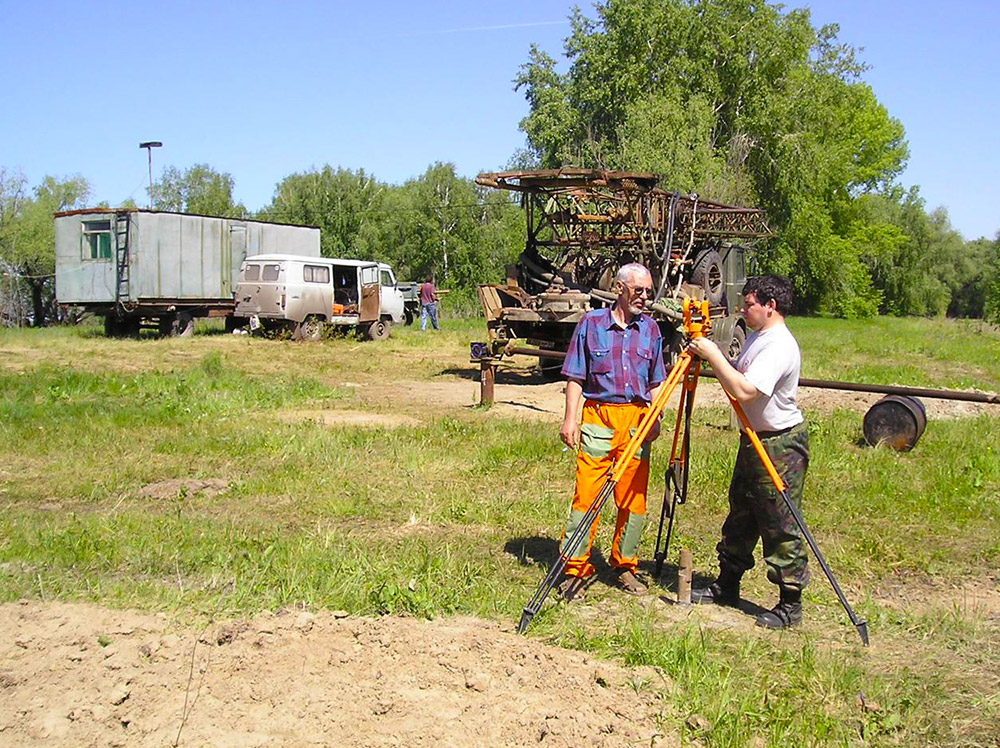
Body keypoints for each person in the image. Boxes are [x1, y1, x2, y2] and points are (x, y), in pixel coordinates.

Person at [687, 274, 810, 629]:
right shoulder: (759, 336)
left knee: (779, 521)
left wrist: (712, 353)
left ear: (770, 306)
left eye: (749, 304)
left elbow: (745, 391)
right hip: (753, 439)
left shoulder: (779, 346)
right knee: (741, 513)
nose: (743, 309)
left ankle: (790, 604)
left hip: (779, 445)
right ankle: (727, 585)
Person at [557, 263, 668, 601]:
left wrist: (656, 416)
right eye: (638, 290)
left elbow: (657, 381)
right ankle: (575, 568)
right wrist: (570, 419)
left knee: (633, 499)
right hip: (599, 418)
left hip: (636, 421)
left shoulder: (651, 329)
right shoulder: (591, 325)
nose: (645, 297)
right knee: (587, 496)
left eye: (648, 291)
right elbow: (575, 376)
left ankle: (625, 565)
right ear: (619, 288)